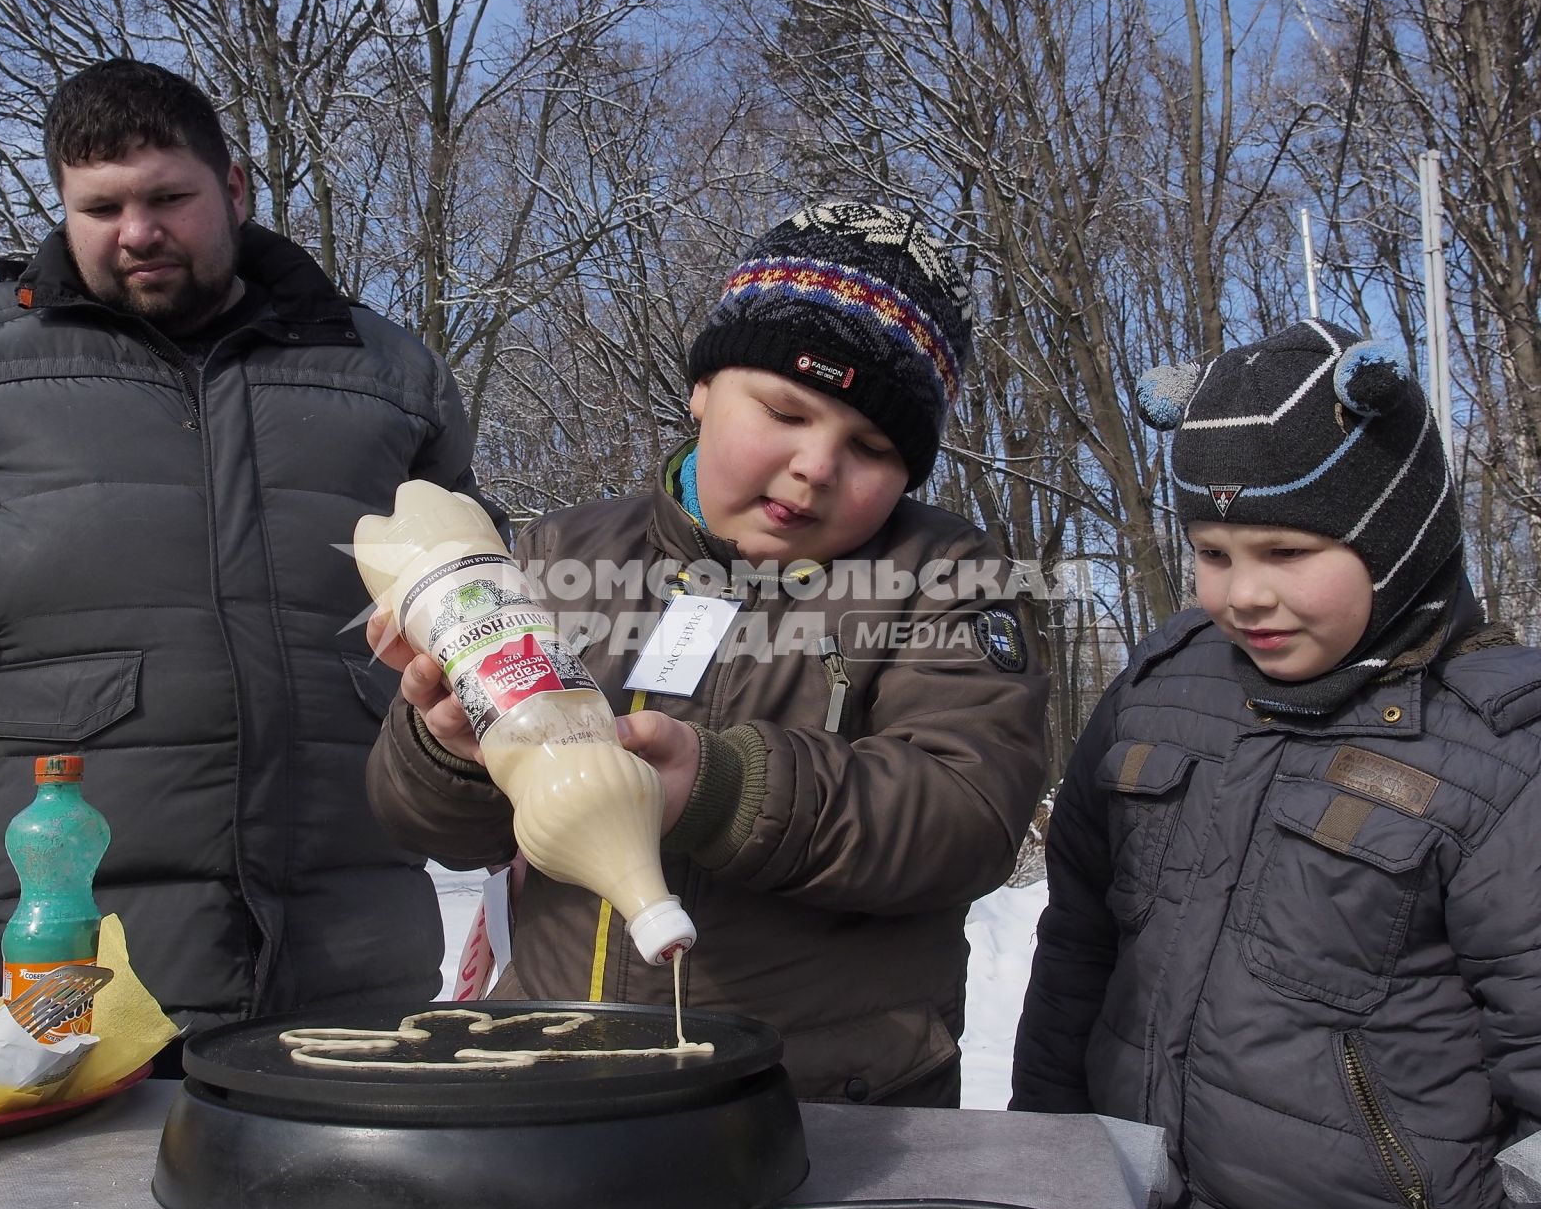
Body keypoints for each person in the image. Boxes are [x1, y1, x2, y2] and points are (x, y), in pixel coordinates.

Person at [0, 59, 500, 1042]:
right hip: (60, 959)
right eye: (98, 207)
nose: (136, 231)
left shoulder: (386, 369)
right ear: (61, 206)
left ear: (232, 189)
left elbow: (481, 569)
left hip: (355, 952)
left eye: (167, 198)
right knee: (60, 1197)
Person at [367, 202, 1048, 1106]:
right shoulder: (560, 557)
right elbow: (425, 822)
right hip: (550, 1073)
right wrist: (448, 754)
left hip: (818, 1099)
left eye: (871, 446)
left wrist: (722, 792)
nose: (815, 466)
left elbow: (966, 814)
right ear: (701, 389)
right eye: (785, 411)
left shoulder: (945, 581)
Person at [1011, 319, 1541, 1209]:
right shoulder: (1157, 695)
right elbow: (1078, 952)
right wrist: (1048, 1171)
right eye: (1213, 552)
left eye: (1286, 553)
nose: (1243, 594)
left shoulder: (1522, 769)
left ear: (1396, 542)